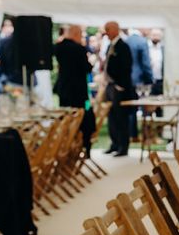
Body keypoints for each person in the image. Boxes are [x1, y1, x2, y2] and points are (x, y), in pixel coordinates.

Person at [54, 25, 96, 155]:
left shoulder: (59, 47)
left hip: (64, 90)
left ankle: (66, 146)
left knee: (67, 118)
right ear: (76, 34)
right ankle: (85, 146)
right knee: (83, 117)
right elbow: (87, 68)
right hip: (78, 91)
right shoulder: (79, 49)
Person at [103, 21, 133, 156]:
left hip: (119, 87)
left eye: (108, 29)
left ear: (115, 30)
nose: (106, 32)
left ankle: (123, 145)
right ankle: (114, 143)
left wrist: (120, 85)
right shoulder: (110, 46)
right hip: (110, 85)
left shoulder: (123, 46)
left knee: (121, 117)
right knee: (112, 116)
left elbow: (126, 67)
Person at [125, 29, 153, 139]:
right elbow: (146, 63)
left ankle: (133, 134)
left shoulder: (126, 41)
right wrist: (150, 78)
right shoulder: (141, 41)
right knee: (144, 107)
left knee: (132, 109)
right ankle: (146, 134)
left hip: (128, 79)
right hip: (140, 79)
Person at [147, 28, 164, 96]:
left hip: (160, 80)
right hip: (150, 80)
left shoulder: (163, 48)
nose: (156, 37)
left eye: (158, 35)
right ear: (150, 36)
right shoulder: (146, 47)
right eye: (154, 35)